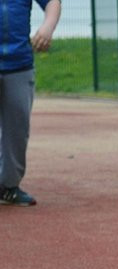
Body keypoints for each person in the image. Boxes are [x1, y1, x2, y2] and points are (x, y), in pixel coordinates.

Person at [0, 0, 61, 206]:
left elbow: (53, 2)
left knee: (17, 129)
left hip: (19, 64)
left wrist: (47, 28)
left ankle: (8, 187)